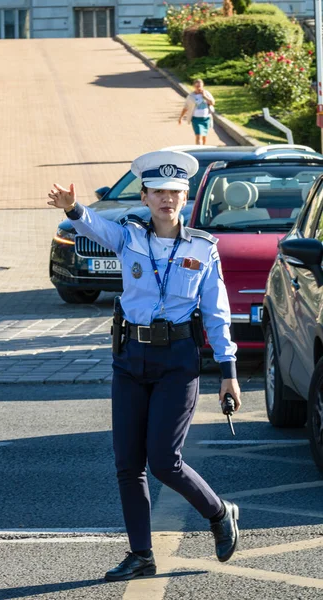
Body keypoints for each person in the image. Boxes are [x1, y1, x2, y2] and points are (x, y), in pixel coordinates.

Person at [47, 150, 241, 582]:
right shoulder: (129, 237)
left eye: (174, 192)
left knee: (164, 461)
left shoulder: (202, 249)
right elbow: (93, 226)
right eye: (158, 192)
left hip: (177, 361)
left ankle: (218, 512)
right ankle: (141, 554)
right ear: (146, 195)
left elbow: (217, 314)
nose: (166, 200)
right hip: (130, 357)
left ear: (185, 197)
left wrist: (228, 372)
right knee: (127, 464)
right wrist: (73, 208)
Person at [178, 79, 215, 146]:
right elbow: (186, 107)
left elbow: (212, 103)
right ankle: (199, 149)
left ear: (203, 85)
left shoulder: (206, 93)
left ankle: (203, 149)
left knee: (204, 136)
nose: (198, 88)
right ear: (194, 86)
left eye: (200, 86)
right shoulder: (191, 96)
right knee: (198, 135)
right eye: (197, 86)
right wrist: (181, 117)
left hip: (206, 119)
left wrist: (205, 96)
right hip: (196, 119)